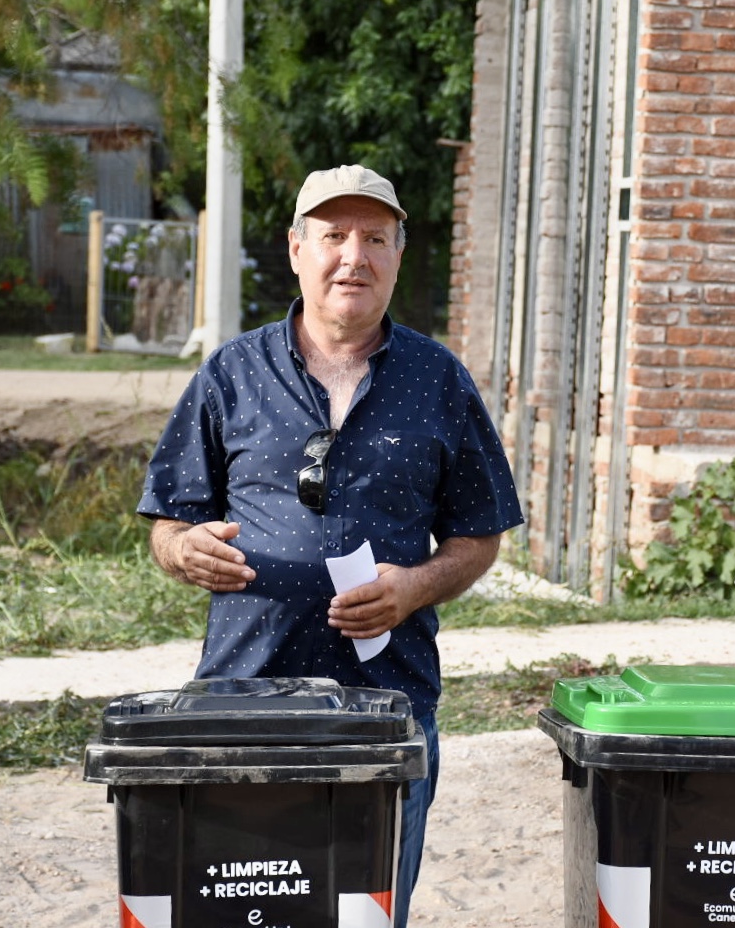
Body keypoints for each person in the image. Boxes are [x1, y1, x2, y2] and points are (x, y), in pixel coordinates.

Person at [138, 164, 524, 927]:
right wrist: (184, 550)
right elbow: (167, 523)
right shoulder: (232, 372)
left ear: (398, 255)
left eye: (375, 238)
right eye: (334, 236)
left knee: (365, 910)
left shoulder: (439, 378)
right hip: (241, 703)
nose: (355, 256)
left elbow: (480, 535)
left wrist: (413, 587)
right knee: (246, 908)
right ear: (295, 249)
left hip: (388, 709)